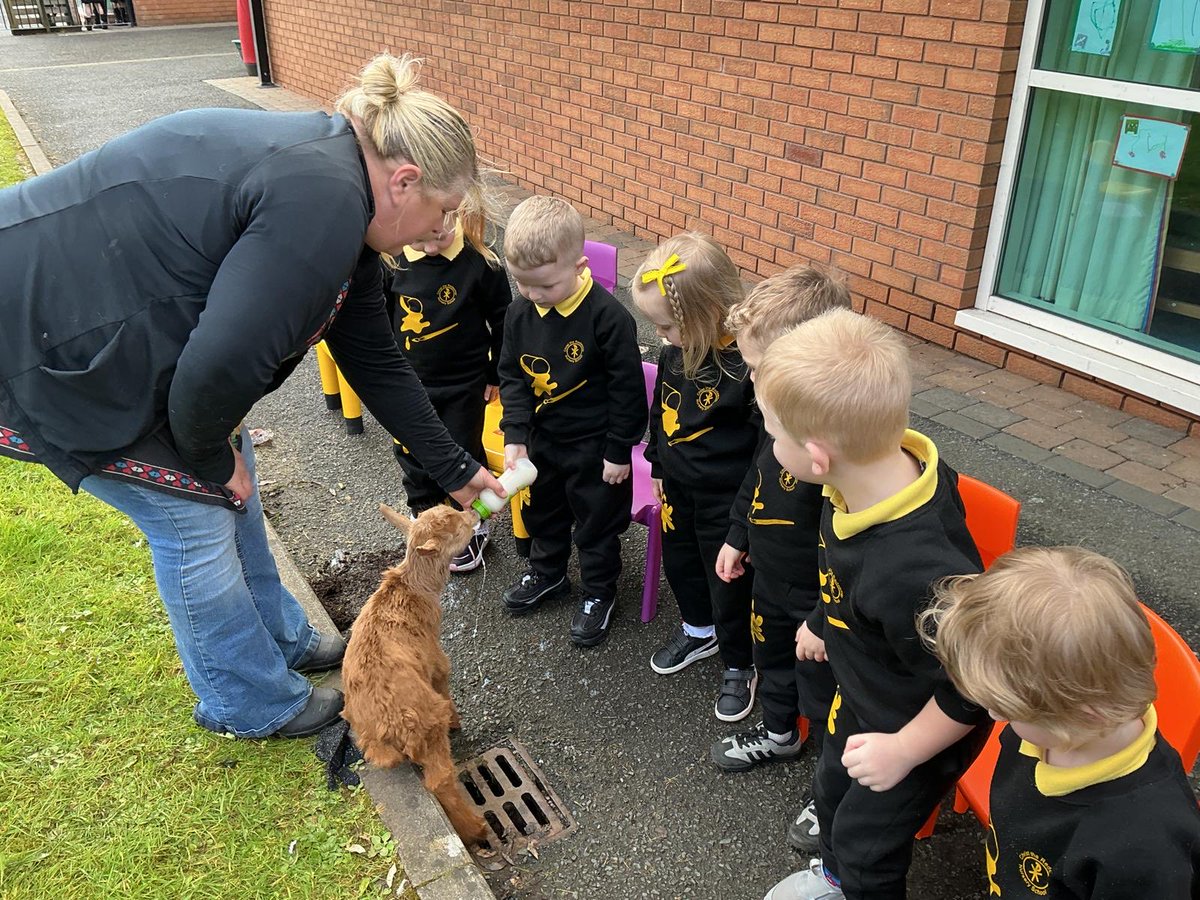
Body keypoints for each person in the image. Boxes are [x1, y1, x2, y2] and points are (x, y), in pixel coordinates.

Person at [0, 53, 504, 740]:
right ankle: (248, 701)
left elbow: (374, 358)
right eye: (443, 213)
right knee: (195, 521)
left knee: (233, 481)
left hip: (128, 333)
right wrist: (209, 463)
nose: (440, 233)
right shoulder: (322, 202)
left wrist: (453, 467)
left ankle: (284, 640)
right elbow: (213, 373)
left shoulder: (343, 187)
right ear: (405, 179)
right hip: (42, 338)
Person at [755, 308, 990, 900]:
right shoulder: (870, 478)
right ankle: (834, 879)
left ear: (815, 457)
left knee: (866, 844)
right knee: (831, 792)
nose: (767, 442)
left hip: (916, 725)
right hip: (862, 694)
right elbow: (844, 572)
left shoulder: (916, 571)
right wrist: (820, 619)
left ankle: (854, 883)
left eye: (771, 431)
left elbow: (972, 685)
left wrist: (903, 751)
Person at [922, 546, 1200, 900]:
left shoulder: (1145, 849)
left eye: (1008, 708)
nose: (994, 716)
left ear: (1083, 713)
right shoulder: (1043, 734)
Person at [710, 265, 849, 769]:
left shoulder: (841, 451)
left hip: (819, 601)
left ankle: (829, 787)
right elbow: (757, 477)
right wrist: (737, 533)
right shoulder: (781, 424)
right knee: (771, 663)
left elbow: (853, 550)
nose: (749, 379)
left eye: (757, 367)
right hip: (770, 579)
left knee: (827, 693)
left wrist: (821, 618)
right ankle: (779, 734)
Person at [497, 196, 647, 647]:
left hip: (596, 448)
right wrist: (516, 436)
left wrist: (619, 450)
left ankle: (599, 592)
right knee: (542, 511)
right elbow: (513, 376)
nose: (532, 295)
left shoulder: (609, 319)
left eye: (544, 286)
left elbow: (628, 392)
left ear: (580, 266)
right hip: (544, 441)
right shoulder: (519, 311)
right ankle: (548, 573)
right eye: (522, 284)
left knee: (597, 524)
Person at [632, 234, 759, 722]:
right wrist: (658, 467)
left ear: (706, 313)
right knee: (681, 564)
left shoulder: (748, 368)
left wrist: (744, 523)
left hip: (726, 501)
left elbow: (764, 453)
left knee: (726, 579)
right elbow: (661, 413)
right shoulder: (674, 353)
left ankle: (738, 661)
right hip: (677, 490)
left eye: (666, 326)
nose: (661, 337)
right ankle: (698, 629)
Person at [386, 207, 511, 573]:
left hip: (464, 382)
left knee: (461, 447)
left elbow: (504, 318)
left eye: (437, 236)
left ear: (456, 213)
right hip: (409, 381)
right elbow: (378, 316)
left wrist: (495, 372)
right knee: (411, 451)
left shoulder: (480, 260)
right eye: (418, 239)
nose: (429, 248)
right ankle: (424, 515)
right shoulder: (392, 259)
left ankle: (471, 523)